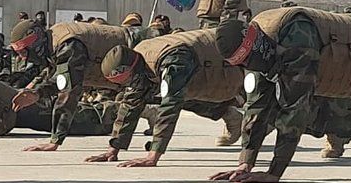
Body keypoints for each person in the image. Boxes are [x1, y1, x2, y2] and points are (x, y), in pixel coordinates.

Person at [209, 5, 351, 182]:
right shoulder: (258, 47)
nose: (248, 65)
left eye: (247, 58)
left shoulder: (294, 36)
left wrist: (274, 171)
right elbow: (257, 108)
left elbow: (295, 108)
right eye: (241, 63)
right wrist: (245, 162)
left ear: (253, 42)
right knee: (314, 114)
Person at [86, 30, 246, 166]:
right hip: (206, 73)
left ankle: (250, 122)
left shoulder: (172, 60)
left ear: (134, 68)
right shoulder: (138, 62)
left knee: (261, 103)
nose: (129, 85)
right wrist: (113, 149)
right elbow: (129, 106)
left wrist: (153, 155)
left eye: (128, 80)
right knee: (187, 95)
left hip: (234, 59)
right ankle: (235, 116)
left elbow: (170, 106)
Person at [19, 19, 140, 153]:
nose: (23, 58)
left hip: (138, 49)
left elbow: (68, 91)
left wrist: (55, 140)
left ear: (35, 44)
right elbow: (57, 76)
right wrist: (36, 92)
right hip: (129, 60)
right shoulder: (54, 40)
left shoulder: (67, 45)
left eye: (23, 53)